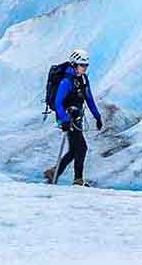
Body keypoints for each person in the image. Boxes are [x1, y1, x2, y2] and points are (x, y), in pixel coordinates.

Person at [44, 48, 103, 187]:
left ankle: (54, 172)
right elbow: (58, 102)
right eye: (82, 65)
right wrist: (64, 120)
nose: (84, 68)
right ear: (74, 64)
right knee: (81, 148)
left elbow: (89, 98)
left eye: (86, 65)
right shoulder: (66, 81)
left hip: (76, 118)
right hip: (67, 119)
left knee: (74, 149)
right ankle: (77, 179)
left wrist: (98, 116)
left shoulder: (82, 79)